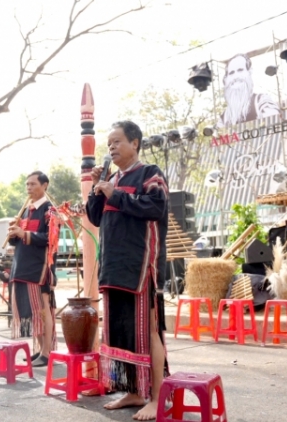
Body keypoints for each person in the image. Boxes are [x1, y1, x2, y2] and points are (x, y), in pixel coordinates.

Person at [86, 120, 169, 421]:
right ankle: (134, 391)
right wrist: (97, 190)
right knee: (124, 330)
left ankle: (158, 398)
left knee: (148, 329)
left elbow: (155, 207)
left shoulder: (150, 173)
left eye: (117, 141)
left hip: (140, 264)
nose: (111, 147)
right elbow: (96, 218)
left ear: (135, 143)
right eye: (108, 144)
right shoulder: (111, 178)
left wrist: (115, 193)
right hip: (113, 265)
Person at [8, 171, 58, 367]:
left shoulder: (50, 210)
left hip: (38, 269)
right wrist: (14, 231)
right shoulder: (26, 210)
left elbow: (49, 239)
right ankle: (39, 350)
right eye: (27, 184)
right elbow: (15, 241)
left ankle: (47, 352)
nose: (29, 188)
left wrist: (24, 233)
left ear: (45, 185)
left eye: (33, 184)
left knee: (42, 311)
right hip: (21, 267)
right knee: (30, 312)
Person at [216, 53, 280, 129]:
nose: (236, 76)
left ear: (249, 72)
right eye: (231, 73)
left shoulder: (261, 101)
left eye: (240, 70)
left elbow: (273, 121)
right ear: (226, 79)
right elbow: (218, 136)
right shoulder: (224, 117)